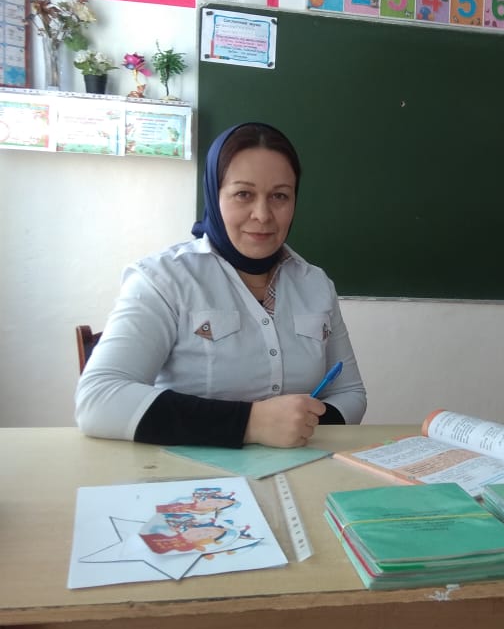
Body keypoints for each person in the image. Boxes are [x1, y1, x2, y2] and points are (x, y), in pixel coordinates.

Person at [75, 122, 366, 447]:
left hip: (301, 468)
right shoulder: (162, 279)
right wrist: (252, 424)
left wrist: (300, 427)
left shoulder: (315, 284)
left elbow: (349, 393)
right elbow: (98, 400)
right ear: (214, 195)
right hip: (185, 474)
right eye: (243, 194)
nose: (263, 214)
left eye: (279, 196)